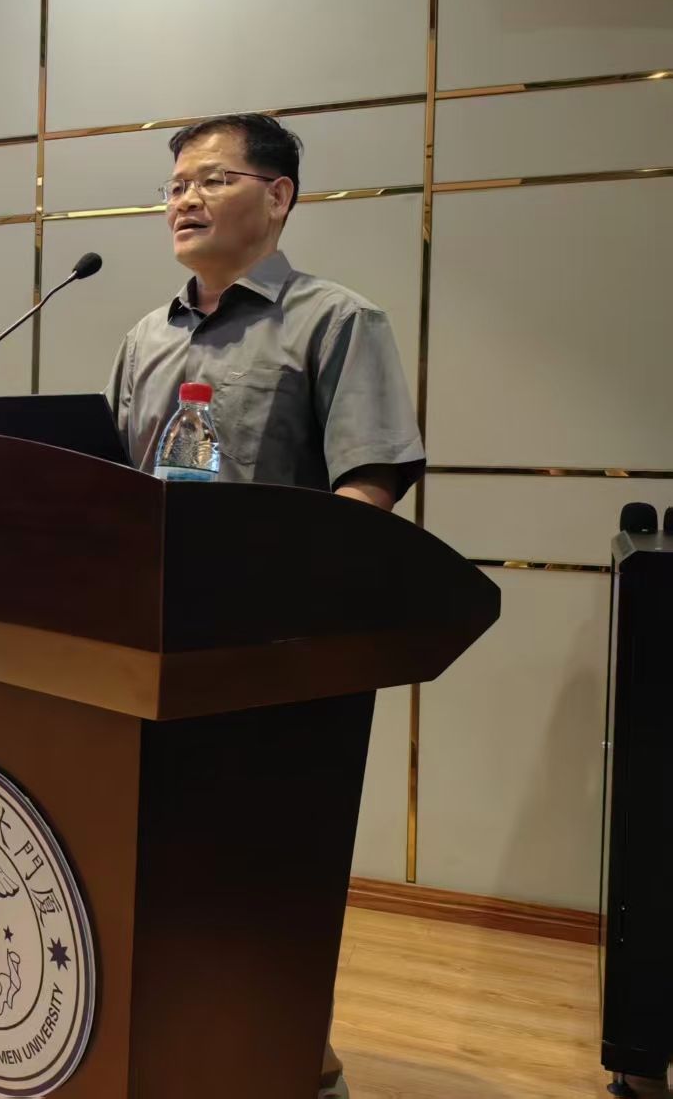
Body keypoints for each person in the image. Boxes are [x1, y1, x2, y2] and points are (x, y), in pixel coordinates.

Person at [107, 113, 426, 1098]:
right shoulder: (144, 336)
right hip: (149, 642)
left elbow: (369, 478)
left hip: (273, 651)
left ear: (277, 195)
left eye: (211, 179)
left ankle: (299, 1063)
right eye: (175, 186)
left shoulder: (336, 320)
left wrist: (290, 586)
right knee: (157, 868)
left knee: (268, 870)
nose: (185, 200)